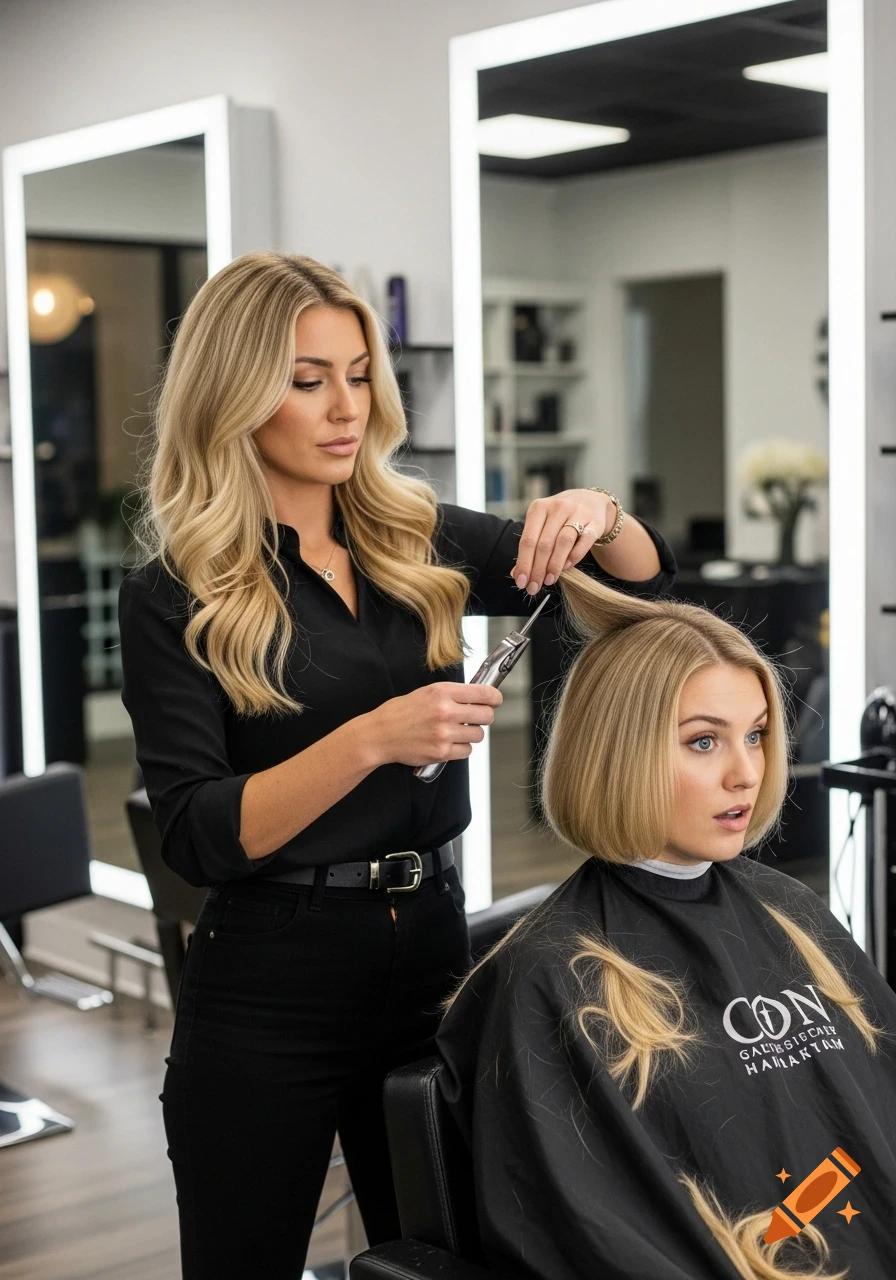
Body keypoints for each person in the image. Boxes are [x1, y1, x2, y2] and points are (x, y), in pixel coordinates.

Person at [117, 252, 676, 1279]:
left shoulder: (415, 536)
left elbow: (636, 580)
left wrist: (599, 511)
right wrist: (372, 738)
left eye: (360, 374)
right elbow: (195, 834)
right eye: (306, 379)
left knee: (437, 1260)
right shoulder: (174, 593)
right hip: (268, 981)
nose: (347, 407)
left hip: (429, 957)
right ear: (233, 394)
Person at [437, 569, 896, 1280]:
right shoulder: (552, 976)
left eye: (756, 735)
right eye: (704, 742)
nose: (746, 773)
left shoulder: (793, 911)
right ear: (618, 750)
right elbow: (596, 1234)